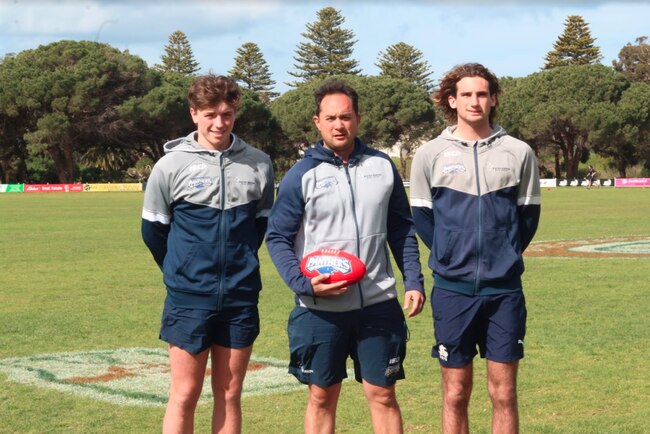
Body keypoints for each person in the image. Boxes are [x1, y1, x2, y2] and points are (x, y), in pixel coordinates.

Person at [266, 79, 426, 434]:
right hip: (319, 311)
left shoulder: (383, 167)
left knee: (383, 394)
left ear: (358, 119)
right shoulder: (300, 175)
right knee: (322, 397)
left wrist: (413, 280)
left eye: (347, 116)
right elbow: (276, 237)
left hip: (378, 304)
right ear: (317, 122)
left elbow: (402, 229)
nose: (339, 124)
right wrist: (303, 284)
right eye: (331, 117)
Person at [409, 63, 541, 434]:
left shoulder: (519, 152)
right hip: (453, 292)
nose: (474, 101)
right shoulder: (429, 154)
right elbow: (423, 220)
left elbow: (527, 220)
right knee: (455, 393)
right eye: (466, 94)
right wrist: (452, 254)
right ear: (452, 100)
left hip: (504, 292)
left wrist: (503, 253)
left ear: (493, 98)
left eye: (481, 93)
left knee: (503, 393)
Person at [141, 74, 274, 434]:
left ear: (235, 114)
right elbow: (153, 231)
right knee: (184, 394)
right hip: (188, 298)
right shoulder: (170, 166)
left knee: (230, 394)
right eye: (210, 114)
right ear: (194, 114)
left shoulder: (259, 164)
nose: (219, 122)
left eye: (227, 114)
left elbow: (259, 227)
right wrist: (181, 268)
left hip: (240, 296)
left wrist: (238, 264)